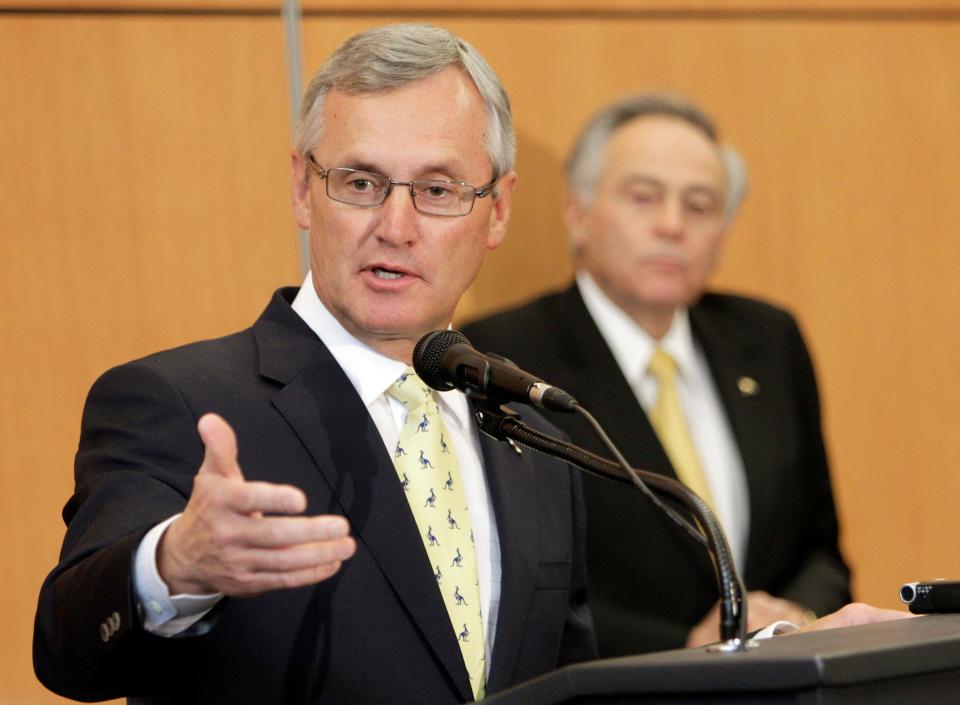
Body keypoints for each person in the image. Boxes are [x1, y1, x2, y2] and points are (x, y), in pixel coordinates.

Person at [32, 24, 597, 705]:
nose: (395, 224)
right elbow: (67, 648)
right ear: (303, 188)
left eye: (438, 190)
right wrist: (174, 564)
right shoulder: (179, 402)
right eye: (360, 182)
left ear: (497, 209)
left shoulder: (532, 438)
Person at [462, 92, 853, 656]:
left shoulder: (768, 339)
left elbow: (821, 548)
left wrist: (795, 616)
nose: (672, 226)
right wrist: (684, 646)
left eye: (699, 206)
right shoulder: (503, 356)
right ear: (578, 214)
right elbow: (508, 581)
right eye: (644, 198)